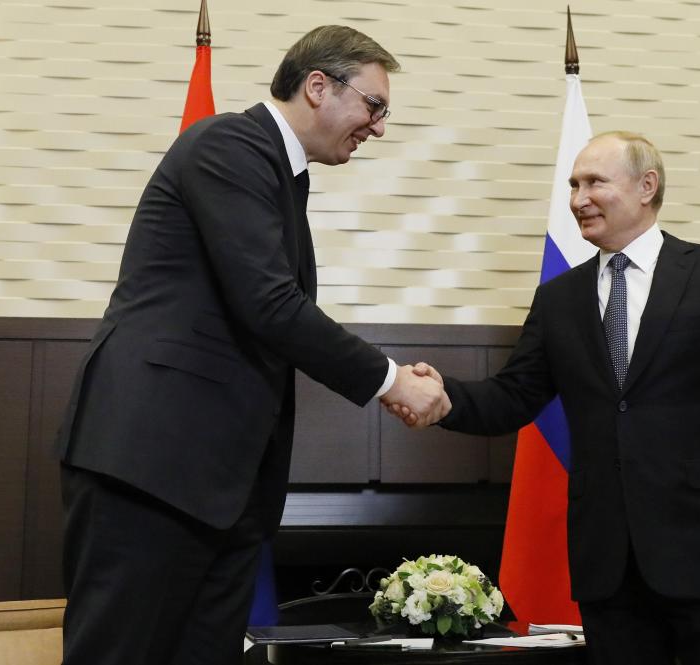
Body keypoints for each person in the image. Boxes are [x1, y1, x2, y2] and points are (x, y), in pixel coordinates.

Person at [54, 25, 449, 665]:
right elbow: (270, 305)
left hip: (222, 488)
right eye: (374, 106)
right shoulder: (229, 143)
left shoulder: (283, 176)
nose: (378, 127)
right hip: (152, 463)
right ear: (318, 87)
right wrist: (392, 381)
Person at [389, 131, 700, 665]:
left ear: (646, 187)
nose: (577, 199)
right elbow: (515, 395)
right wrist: (443, 399)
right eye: (573, 185)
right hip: (608, 567)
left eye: (594, 182)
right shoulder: (559, 298)